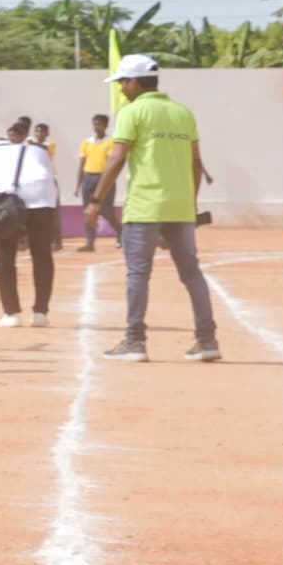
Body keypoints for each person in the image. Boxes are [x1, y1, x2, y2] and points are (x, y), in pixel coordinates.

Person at [95, 53, 219, 361]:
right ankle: (207, 340)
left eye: (123, 82)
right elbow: (195, 163)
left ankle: (134, 341)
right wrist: (189, 203)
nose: (121, 88)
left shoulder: (132, 112)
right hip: (180, 207)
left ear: (135, 82)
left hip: (145, 205)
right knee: (192, 273)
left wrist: (96, 199)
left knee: (138, 273)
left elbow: (117, 157)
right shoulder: (182, 112)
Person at [0, 115, 61, 324]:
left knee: (4, 258)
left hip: (8, 205)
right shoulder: (39, 150)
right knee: (42, 256)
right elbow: (50, 180)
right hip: (41, 201)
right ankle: (41, 313)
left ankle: (11, 313)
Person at [75, 111, 119, 251]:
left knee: (106, 210)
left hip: (104, 178)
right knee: (88, 211)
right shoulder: (86, 142)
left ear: (106, 126)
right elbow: (82, 164)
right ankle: (90, 242)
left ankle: (121, 233)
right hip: (89, 177)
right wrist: (78, 185)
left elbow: (112, 162)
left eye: (99, 124)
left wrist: (109, 180)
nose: (96, 127)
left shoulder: (111, 142)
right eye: (95, 124)